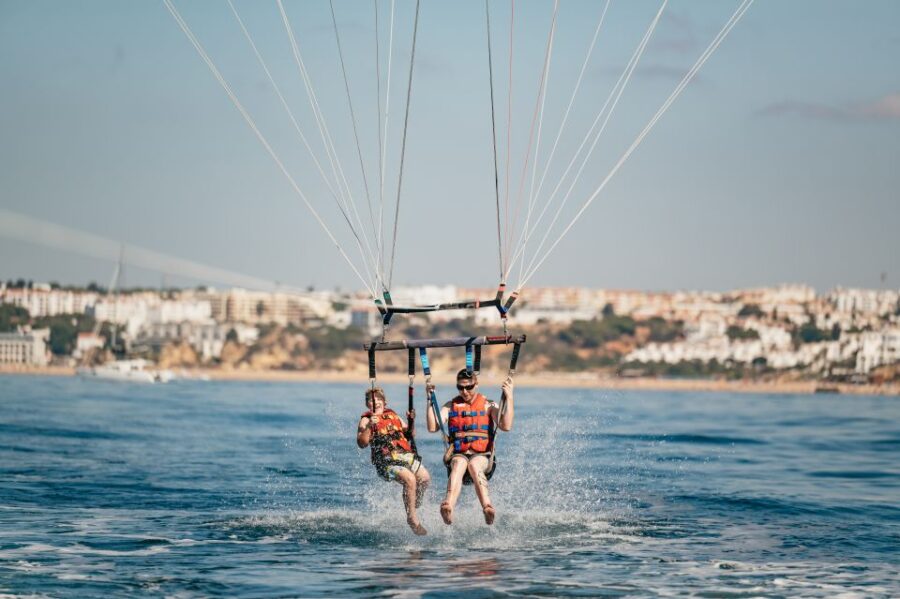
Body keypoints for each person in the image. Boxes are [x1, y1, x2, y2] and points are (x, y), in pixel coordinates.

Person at [426, 368, 514, 526]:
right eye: (460, 387)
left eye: (468, 387)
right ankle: (448, 507)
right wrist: (429, 400)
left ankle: (487, 507)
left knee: (473, 464)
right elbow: (433, 427)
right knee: (460, 463)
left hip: (483, 457)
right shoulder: (451, 406)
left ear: (476, 384)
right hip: (459, 455)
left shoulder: (488, 405)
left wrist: (509, 397)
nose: (464, 391)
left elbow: (506, 426)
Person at [357, 387, 431, 535]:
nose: (375, 402)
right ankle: (412, 519)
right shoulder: (366, 420)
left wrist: (412, 420)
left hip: (405, 456)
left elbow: (410, 433)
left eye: (379, 399)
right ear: (367, 405)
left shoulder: (393, 415)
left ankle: (414, 503)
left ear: (385, 402)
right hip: (386, 462)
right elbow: (362, 443)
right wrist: (370, 426)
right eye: (372, 400)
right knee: (410, 479)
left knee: (425, 479)